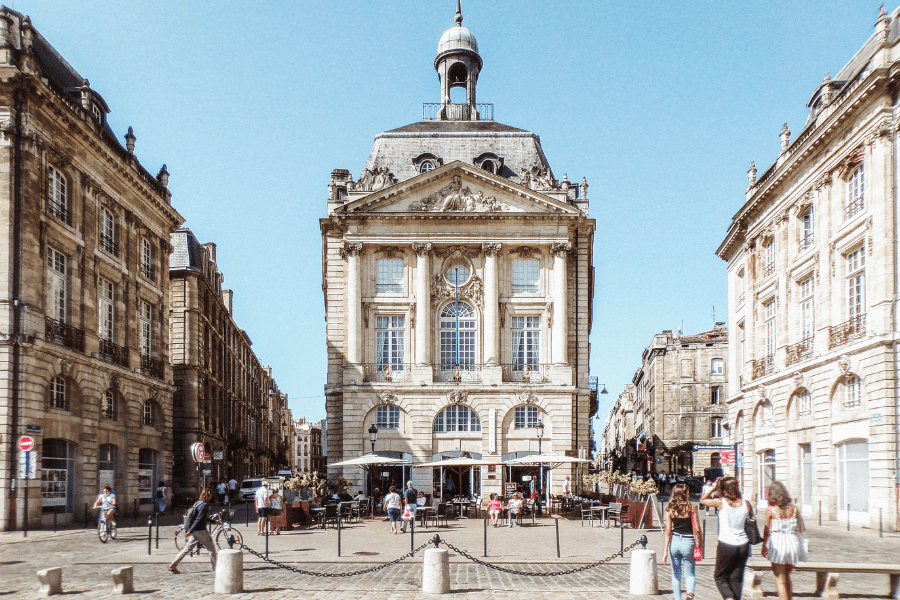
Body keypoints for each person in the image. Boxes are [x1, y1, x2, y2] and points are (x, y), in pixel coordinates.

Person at [701, 477, 751, 600]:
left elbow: (703, 500)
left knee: (720, 577)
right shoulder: (746, 504)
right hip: (743, 544)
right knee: (737, 578)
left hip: (727, 543)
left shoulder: (721, 502)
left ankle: (729, 597)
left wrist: (714, 487)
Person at [762, 481, 805, 600]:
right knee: (787, 576)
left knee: (779, 579)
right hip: (793, 542)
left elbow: (766, 531)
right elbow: (801, 528)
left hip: (778, 543)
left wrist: (764, 546)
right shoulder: (794, 508)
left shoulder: (771, 510)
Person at [168, 488, 221, 573]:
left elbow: (203, 517)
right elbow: (199, 519)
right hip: (200, 530)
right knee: (211, 548)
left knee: (187, 548)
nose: (211, 497)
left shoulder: (197, 503)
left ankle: (173, 564)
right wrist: (190, 531)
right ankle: (216, 568)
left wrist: (214, 521)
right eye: (210, 496)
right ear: (206, 495)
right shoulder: (204, 505)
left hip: (194, 531)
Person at [663, 483, 702, 600]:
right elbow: (696, 529)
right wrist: (699, 545)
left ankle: (677, 598)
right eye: (688, 492)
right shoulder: (692, 508)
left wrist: (665, 551)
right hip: (689, 541)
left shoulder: (670, 510)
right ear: (685, 494)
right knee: (690, 572)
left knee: (676, 573)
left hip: (675, 541)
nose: (689, 494)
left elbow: (668, 531)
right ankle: (690, 594)